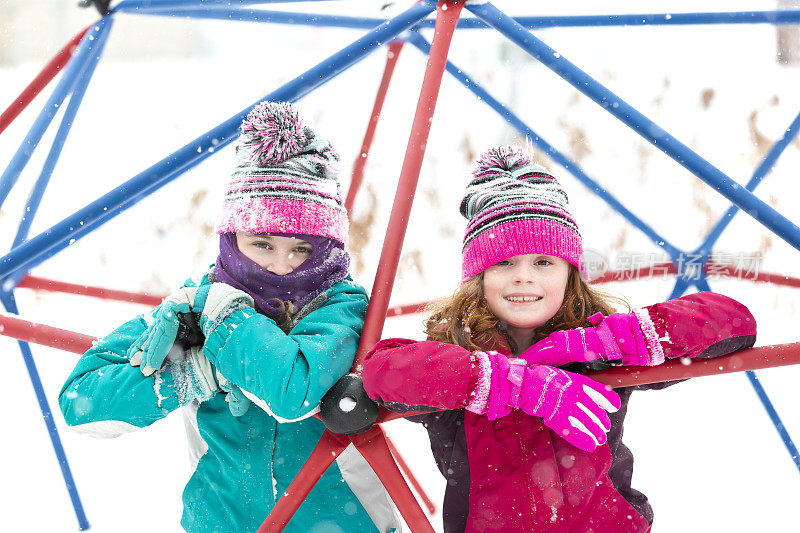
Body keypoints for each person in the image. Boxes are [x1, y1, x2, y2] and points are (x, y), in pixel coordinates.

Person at [362, 145, 757, 533]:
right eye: (503, 262)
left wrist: (616, 339)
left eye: (543, 262)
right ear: (478, 278)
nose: (523, 277)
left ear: (570, 273)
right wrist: (506, 383)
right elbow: (381, 371)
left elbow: (733, 320)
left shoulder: (597, 348)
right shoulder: (460, 353)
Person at [59, 101, 400, 533]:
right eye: (262, 244)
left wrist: (225, 318)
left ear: (329, 248)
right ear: (232, 239)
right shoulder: (195, 306)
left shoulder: (340, 308)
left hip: (343, 523)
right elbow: (81, 403)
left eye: (301, 249)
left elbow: (291, 391)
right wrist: (193, 375)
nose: (280, 265)